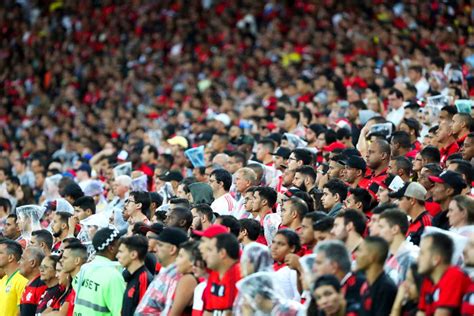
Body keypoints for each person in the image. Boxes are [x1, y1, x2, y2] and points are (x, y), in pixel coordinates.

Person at [135, 227, 188, 315]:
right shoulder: (167, 272)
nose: (155, 249)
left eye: (160, 245)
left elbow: (168, 311)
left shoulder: (177, 276)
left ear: (172, 249)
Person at [73, 227, 125, 316]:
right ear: (111, 248)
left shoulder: (84, 268)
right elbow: (120, 313)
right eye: (119, 246)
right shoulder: (113, 276)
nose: (122, 250)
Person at [417, 232, 472, 316]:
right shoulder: (429, 279)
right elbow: (421, 313)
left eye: (422, 253)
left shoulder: (454, 275)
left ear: (436, 259)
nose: (417, 259)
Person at [313, 240, 365, 314]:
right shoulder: (320, 287)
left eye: (319, 263)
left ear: (334, 267)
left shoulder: (362, 286)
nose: (314, 269)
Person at [356, 236, 397, 316]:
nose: (356, 255)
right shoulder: (366, 283)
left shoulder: (386, 288)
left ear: (372, 256)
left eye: (360, 251)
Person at [202, 233, 242, 315]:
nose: (205, 256)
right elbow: (208, 311)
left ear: (222, 253)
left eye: (210, 250)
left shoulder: (240, 276)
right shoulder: (214, 274)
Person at [378, 209, 419, 286]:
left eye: (381, 227)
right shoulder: (385, 254)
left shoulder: (411, 257)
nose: (378, 232)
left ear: (395, 229)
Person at [117, 235, 153, 316]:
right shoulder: (129, 276)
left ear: (133, 254)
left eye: (121, 252)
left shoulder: (144, 279)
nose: (117, 256)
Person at [169, 241, 199, 316]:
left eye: (181, 256)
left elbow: (174, 314)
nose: (176, 259)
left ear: (192, 261)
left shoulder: (188, 280)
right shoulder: (187, 277)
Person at [0, 239, 29, 316]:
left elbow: (22, 311)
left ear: (11, 257)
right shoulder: (3, 279)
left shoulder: (22, 280)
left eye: (0, 253)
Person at [398, 182, 432, 246]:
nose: (397, 203)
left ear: (412, 200)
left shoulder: (426, 224)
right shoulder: (411, 222)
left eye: (400, 199)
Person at [271, 229, 301, 301]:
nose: (274, 247)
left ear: (292, 248)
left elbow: (298, 297)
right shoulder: (270, 267)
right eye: (273, 242)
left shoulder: (293, 270)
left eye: (281, 244)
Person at [59, 243, 88, 316]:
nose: (61, 261)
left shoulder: (85, 285)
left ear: (77, 260)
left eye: (65, 258)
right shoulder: (75, 284)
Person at [19, 247, 47, 316]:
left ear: (32, 263)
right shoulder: (30, 284)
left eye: (22, 259)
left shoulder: (42, 285)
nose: (19, 262)